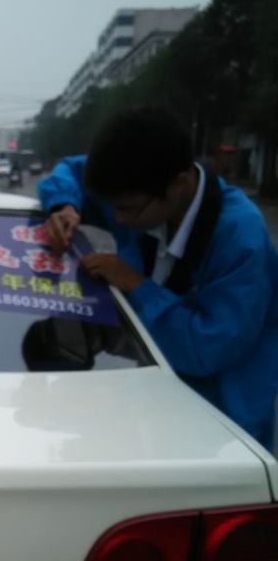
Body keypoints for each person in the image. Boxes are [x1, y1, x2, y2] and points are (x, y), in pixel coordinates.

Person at [38, 106, 278, 450]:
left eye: (126, 209)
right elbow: (71, 171)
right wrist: (64, 205)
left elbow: (209, 348)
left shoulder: (240, 239)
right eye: (112, 206)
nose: (118, 219)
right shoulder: (140, 188)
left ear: (178, 183)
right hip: (151, 408)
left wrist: (136, 285)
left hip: (222, 429)